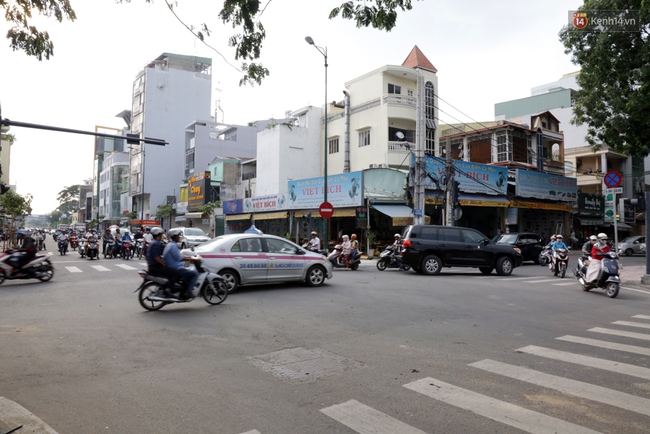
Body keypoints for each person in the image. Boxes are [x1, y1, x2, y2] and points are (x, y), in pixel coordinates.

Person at [163, 229, 200, 299]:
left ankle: (183, 290)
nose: (179, 237)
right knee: (195, 274)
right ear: (174, 236)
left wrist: (189, 257)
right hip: (176, 268)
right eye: (178, 236)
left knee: (186, 276)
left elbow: (179, 256)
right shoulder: (173, 246)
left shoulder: (169, 245)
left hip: (172, 267)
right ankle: (187, 292)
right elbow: (180, 258)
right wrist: (193, 259)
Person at [145, 227, 180, 296]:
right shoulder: (156, 244)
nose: (162, 236)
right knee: (176, 273)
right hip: (156, 267)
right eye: (161, 234)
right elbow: (156, 257)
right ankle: (169, 290)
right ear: (158, 235)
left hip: (152, 266)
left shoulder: (153, 243)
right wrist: (163, 263)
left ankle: (166, 287)